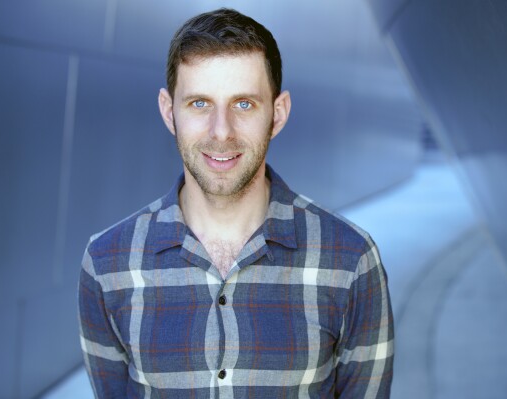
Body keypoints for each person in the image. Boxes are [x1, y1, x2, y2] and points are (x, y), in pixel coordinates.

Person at [78, 8, 393, 398]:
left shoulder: (351, 261)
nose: (221, 131)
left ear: (277, 114)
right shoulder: (108, 263)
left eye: (243, 104)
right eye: (199, 104)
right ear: (168, 111)